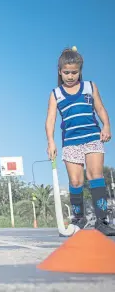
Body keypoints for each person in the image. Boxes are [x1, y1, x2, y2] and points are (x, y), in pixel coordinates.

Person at [45, 46, 115, 236]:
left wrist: (106, 126)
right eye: (66, 72)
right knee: (75, 181)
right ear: (60, 71)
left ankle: (102, 220)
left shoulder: (90, 87)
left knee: (95, 176)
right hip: (71, 142)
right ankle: (78, 219)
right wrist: (51, 141)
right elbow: (50, 120)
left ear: (80, 71)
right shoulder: (56, 94)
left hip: (92, 138)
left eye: (74, 72)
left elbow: (100, 109)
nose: (70, 76)